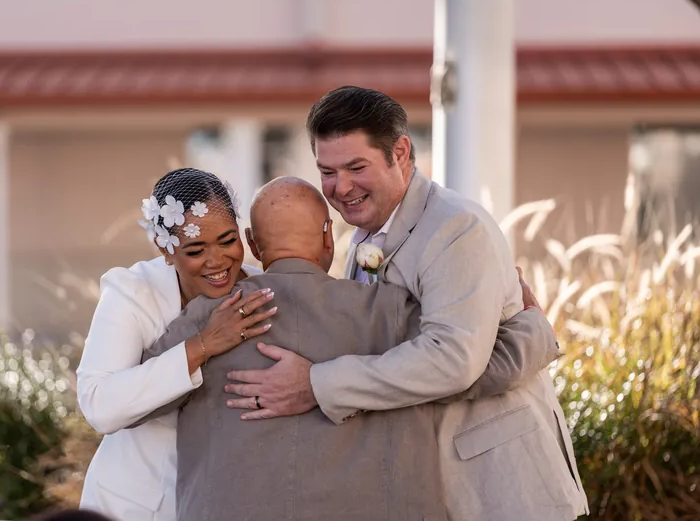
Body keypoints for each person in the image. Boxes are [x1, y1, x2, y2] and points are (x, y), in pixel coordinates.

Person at [224, 87, 589, 520]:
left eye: (356, 167)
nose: (340, 188)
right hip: (425, 486)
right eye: (327, 171)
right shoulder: (364, 237)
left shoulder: (455, 229)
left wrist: (317, 384)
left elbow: (453, 360)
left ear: (400, 152)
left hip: (498, 488)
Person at [136, 177, 560, 521]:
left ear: (252, 242)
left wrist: (205, 344)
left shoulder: (209, 320)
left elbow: (138, 399)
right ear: (327, 238)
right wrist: (534, 327)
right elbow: (475, 367)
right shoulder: (387, 313)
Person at [75, 168, 277, 521]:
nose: (217, 261)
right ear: (166, 250)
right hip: (131, 506)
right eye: (196, 249)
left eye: (228, 241)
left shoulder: (264, 289)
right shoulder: (133, 293)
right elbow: (99, 405)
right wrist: (203, 344)